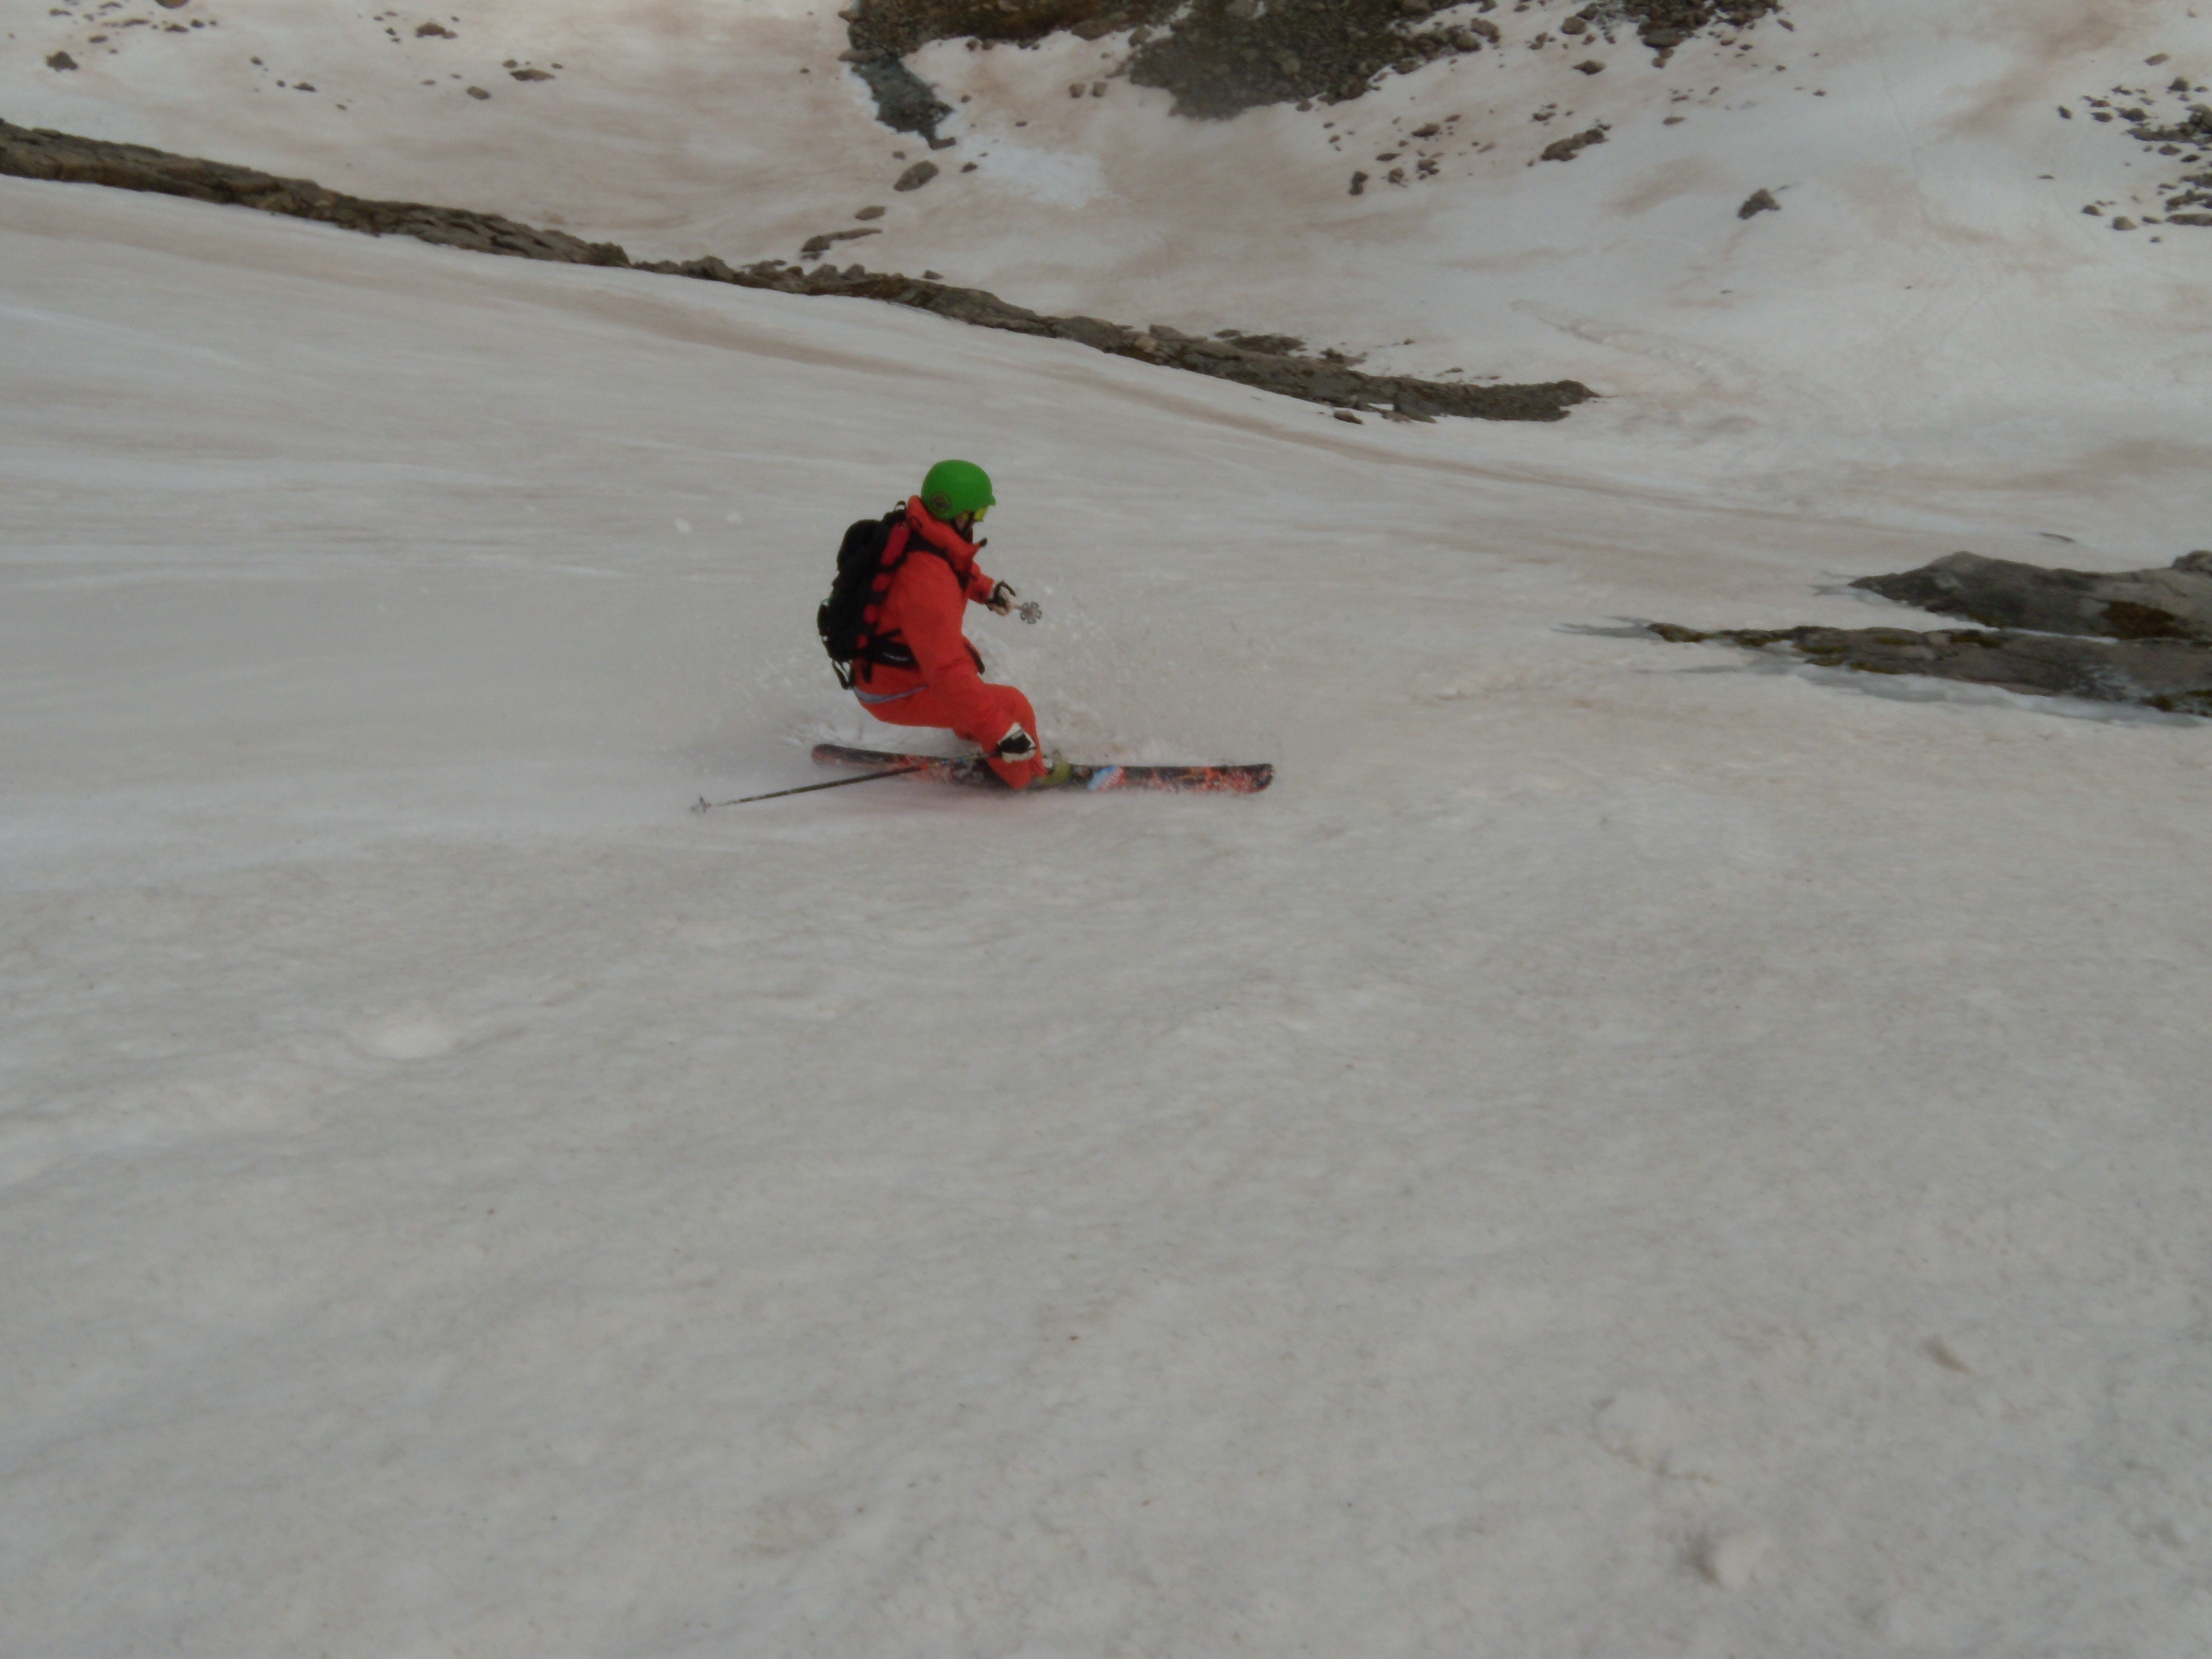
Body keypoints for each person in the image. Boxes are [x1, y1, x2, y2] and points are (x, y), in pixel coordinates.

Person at [847, 460, 1059, 790]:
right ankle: (1027, 776)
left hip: (890, 671)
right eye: (978, 514)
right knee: (1011, 706)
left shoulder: (920, 531)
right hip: (894, 691)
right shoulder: (927, 583)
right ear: (959, 515)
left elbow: (953, 561)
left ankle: (978, 735)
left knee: (969, 671)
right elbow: (946, 672)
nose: (978, 521)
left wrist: (986, 589)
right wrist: (1002, 731)